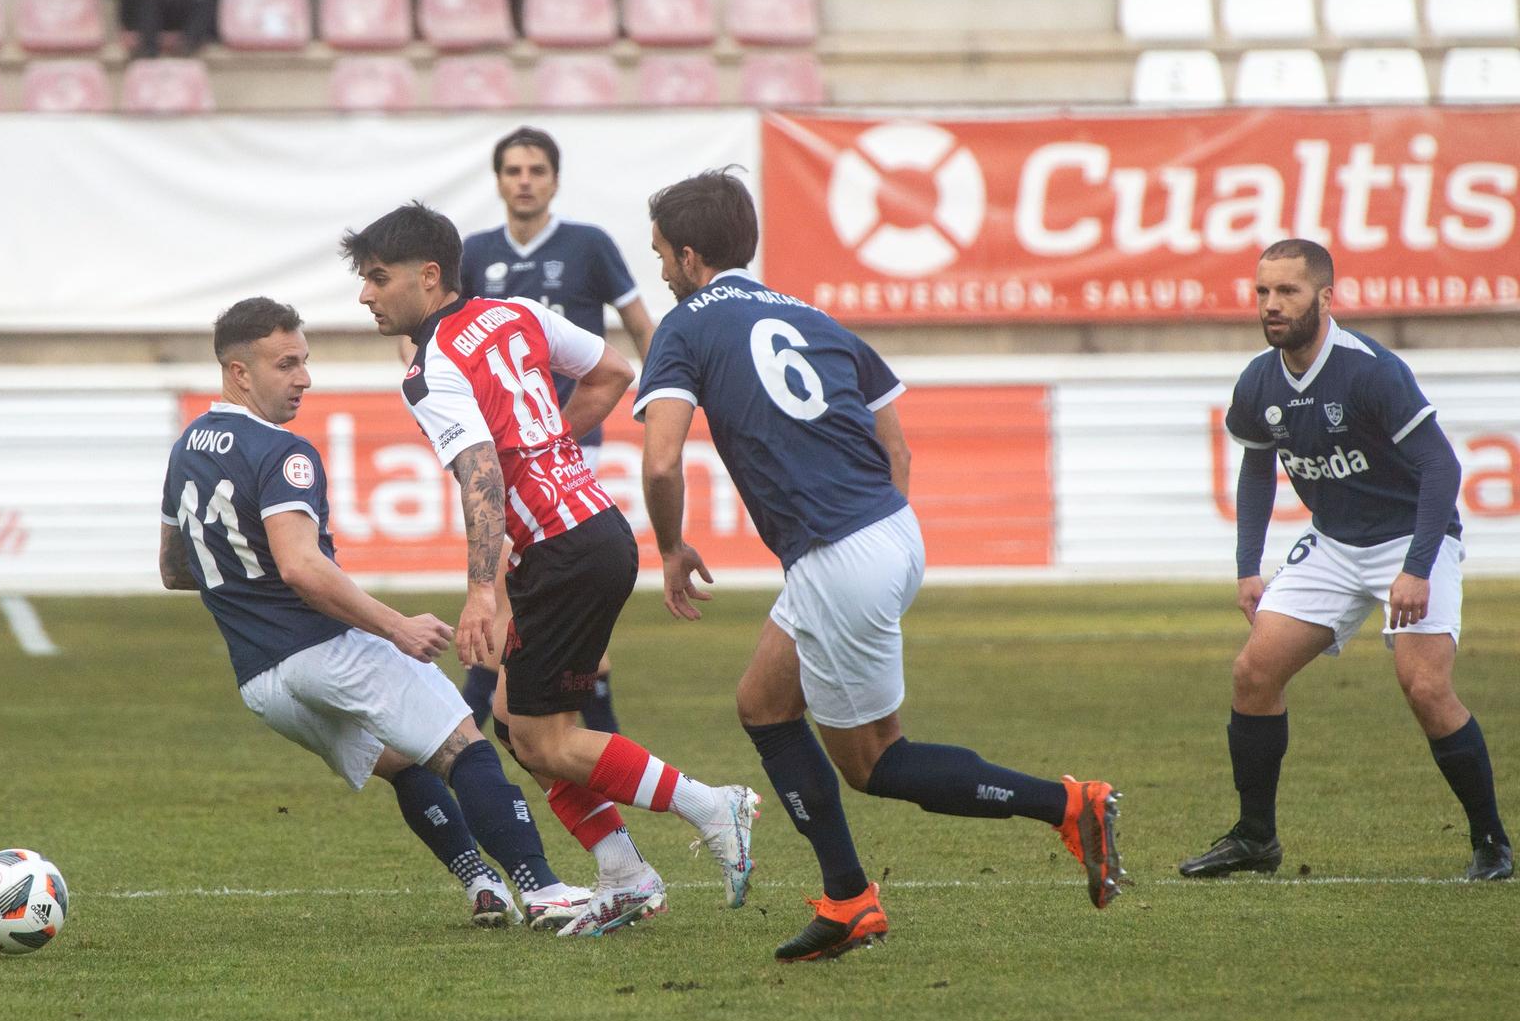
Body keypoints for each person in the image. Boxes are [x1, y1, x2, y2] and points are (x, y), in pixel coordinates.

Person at [635, 170, 1126, 963]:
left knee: (877, 762)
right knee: (762, 702)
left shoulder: (685, 326)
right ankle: (848, 899)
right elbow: (897, 446)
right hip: (889, 533)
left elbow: (661, 464)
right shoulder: (814, 317)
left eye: (660, 255)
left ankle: (1067, 805)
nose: (659, 271)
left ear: (690, 257)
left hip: (838, 557)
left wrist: (669, 546)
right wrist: (872, 533)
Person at [341, 204, 760, 938]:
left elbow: (480, 474)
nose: (366, 295)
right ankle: (625, 876)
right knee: (513, 721)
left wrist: (479, 592)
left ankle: (710, 805)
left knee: (545, 741)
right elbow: (612, 371)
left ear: (428, 275)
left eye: (378, 279)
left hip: (562, 550)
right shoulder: (515, 312)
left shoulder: (430, 367)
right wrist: (545, 447)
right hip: (595, 528)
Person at [160, 297, 594, 929]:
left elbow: (175, 569)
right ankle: (544, 889)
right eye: (286, 365)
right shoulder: (284, 453)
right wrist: (396, 626)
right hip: (323, 649)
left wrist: (241, 587)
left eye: (304, 361)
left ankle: (481, 883)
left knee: (400, 761)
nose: (304, 377)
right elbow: (301, 568)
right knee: (462, 744)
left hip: (261, 681)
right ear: (239, 373)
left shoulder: (188, 448)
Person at [1181, 240, 1510, 883]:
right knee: (1253, 674)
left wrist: (1416, 568)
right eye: (1262, 293)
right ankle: (1255, 839)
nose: (1272, 306)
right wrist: (1249, 566)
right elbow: (1255, 467)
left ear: (1326, 298)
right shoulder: (1259, 380)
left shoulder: (1369, 371)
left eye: (1288, 292)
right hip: (1334, 544)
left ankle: (1492, 843)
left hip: (1413, 539)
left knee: (1425, 687)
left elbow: (1442, 467)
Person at [452, 126, 655, 737]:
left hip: (566, 452)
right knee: (534, 597)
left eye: (536, 170)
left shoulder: (590, 246)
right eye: (513, 170)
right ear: (498, 181)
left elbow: (642, 326)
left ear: (555, 180)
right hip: (496, 454)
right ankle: (587, 738)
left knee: (527, 592)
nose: (524, 181)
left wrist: (668, 396)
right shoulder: (473, 253)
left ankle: (467, 738)